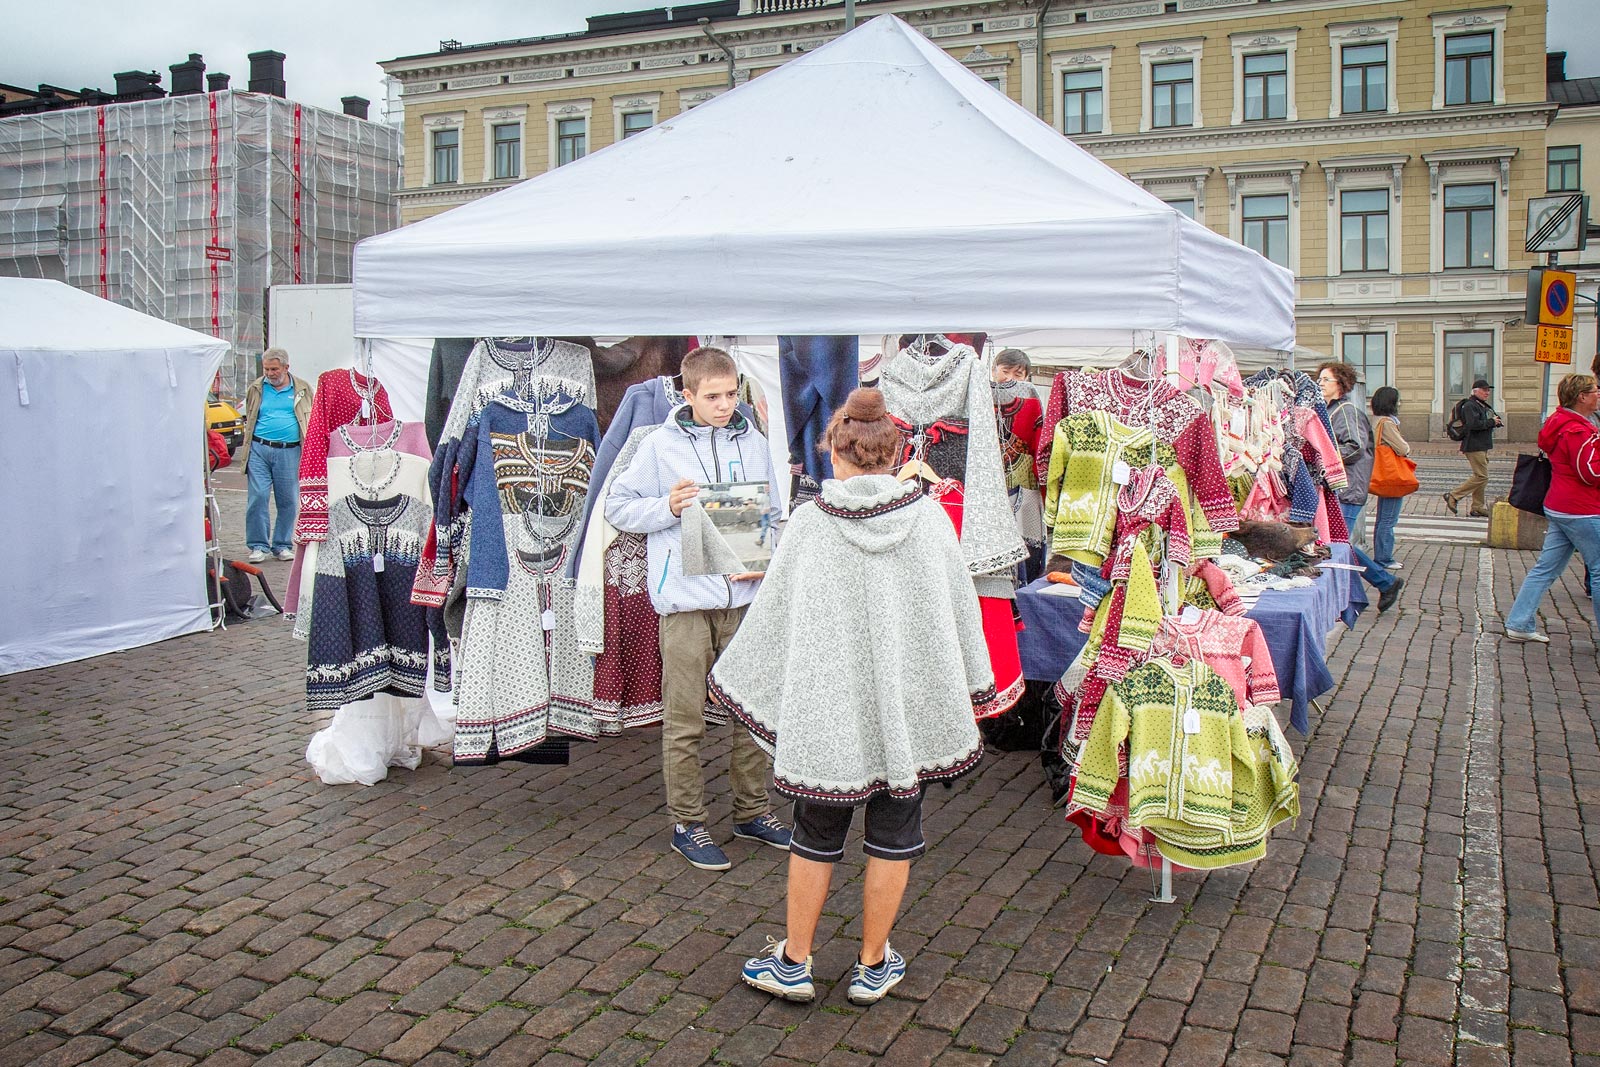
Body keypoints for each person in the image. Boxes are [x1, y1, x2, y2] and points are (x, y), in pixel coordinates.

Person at [713, 388, 990, 1005]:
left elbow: (774, 622)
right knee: (895, 834)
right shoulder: (930, 520)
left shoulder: (811, 525)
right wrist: (970, 683)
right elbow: (960, 614)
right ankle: (872, 964)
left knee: (814, 834)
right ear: (895, 455)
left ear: (834, 454)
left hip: (827, 715)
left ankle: (794, 962)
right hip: (906, 713)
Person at [605, 346, 792, 871]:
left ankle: (752, 811)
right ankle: (688, 823)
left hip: (745, 600)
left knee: (751, 711)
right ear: (687, 395)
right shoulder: (658, 445)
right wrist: (667, 506)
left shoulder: (754, 440)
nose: (725, 405)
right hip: (686, 603)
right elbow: (617, 506)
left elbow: (773, 514)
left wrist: (763, 559)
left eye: (731, 394)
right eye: (712, 396)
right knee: (685, 719)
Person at [1502, 373, 1600, 643]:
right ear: (1581, 397)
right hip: (1581, 508)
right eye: (1595, 391)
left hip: (1560, 505)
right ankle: (1519, 622)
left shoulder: (1559, 421)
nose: (1598, 394)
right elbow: (1589, 472)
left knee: (1545, 568)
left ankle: (1519, 622)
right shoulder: (1578, 430)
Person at [1317, 362, 1405, 612]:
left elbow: (1354, 446)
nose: (1320, 384)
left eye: (1326, 380)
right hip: (1340, 488)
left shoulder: (1345, 411)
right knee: (1337, 543)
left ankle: (1384, 582)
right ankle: (1380, 584)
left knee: (1338, 545)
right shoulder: (1332, 410)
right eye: (1319, 379)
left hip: (1347, 488)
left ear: (1340, 385)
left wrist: (1323, 458)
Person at [241, 349, 312, 563]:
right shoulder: (256, 388)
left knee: (288, 500)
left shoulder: (302, 388)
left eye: (274, 369)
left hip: (290, 451)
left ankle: (282, 545)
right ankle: (258, 545)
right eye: (266, 369)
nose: (270, 373)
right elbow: (250, 415)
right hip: (259, 448)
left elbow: (312, 417)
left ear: (286, 367)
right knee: (258, 496)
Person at [1443, 378, 1502, 518]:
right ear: (1475, 391)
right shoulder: (1470, 405)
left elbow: (1482, 422)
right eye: (1484, 390)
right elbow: (1473, 425)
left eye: (1488, 390)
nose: (1487, 393)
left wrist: (1494, 422)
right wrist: (1491, 422)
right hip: (1474, 445)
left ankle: (1477, 507)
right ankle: (1453, 495)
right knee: (1481, 476)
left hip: (1481, 445)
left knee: (1481, 477)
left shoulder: (1480, 405)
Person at [1368, 386, 1412, 572]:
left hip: (1382, 473)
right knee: (1388, 519)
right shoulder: (1387, 423)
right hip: (1392, 475)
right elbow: (1403, 448)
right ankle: (1384, 558)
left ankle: (1381, 555)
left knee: (1382, 518)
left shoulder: (1376, 420)